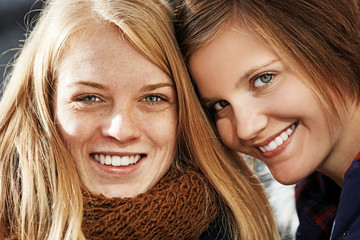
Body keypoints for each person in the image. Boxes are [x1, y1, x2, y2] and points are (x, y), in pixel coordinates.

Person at [0, 0, 280, 239]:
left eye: (153, 98)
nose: (121, 131)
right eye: (89, 98)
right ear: (43, 106)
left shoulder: (235, 227)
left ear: (187, 114)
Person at [174, 0, 360, 239]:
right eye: (220, 105)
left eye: (263, 79)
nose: (245, 128)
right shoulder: (318, 200)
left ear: (329, 43)